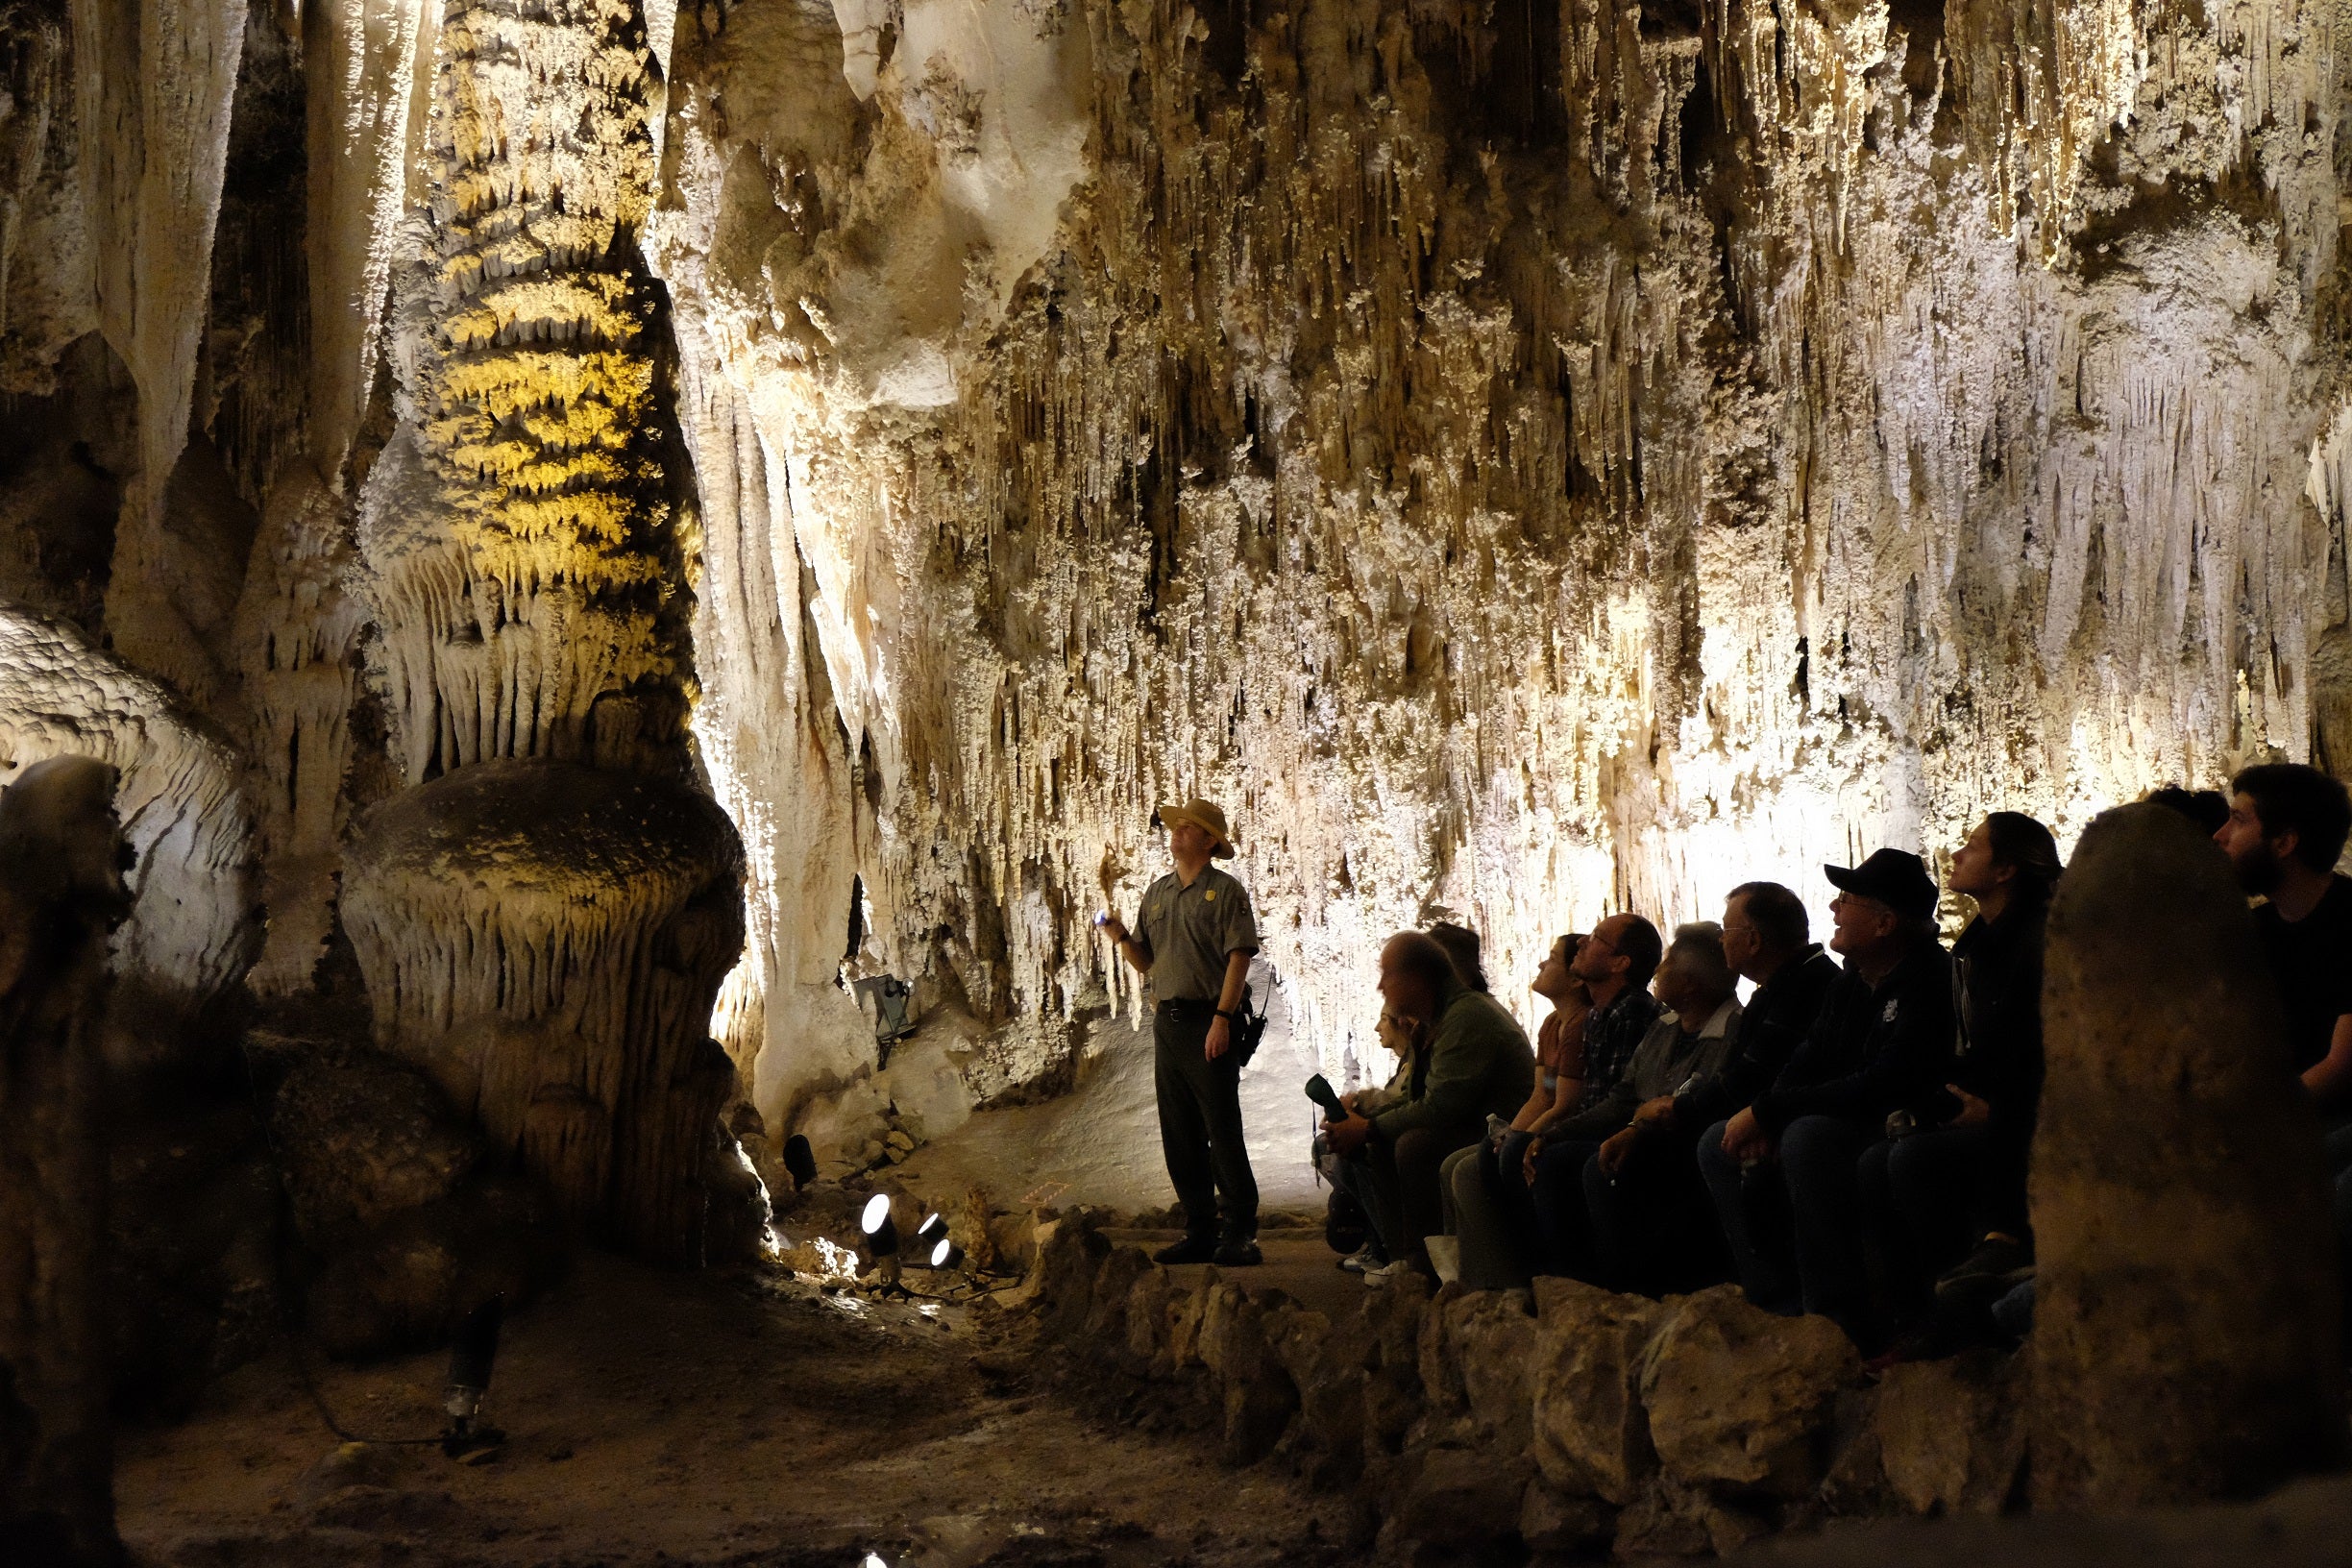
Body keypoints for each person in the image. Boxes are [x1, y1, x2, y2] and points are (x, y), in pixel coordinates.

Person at [1699, 849, 1953, 1343]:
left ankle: (1836, 1323)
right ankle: (1774, 1303)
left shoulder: (1927, 979)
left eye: (1847, 899)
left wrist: (1771, 1111)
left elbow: (1886, 1081)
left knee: (1808, 1138)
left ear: (1884, 923)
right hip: (1852, 1111)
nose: (1833, 910)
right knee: (1719, 1140)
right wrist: (1764, 1115)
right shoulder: (1853, 983)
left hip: (1899, 1115)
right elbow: (1807, 1060)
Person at [1862, 813, 2060, 1338]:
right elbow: (1972, 1051)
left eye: (1972, 847)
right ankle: (1907, 1320)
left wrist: (1995, 1112)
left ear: (2006, 871)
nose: (1956, 855)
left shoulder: (2039, 942)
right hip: (1996, 1102)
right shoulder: (1976, 949)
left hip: (2033, 1114)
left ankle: (1963, 1304)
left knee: (1912, 1159)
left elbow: (2039, 1052)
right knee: (1877, 1158)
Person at [1099, 798, 1264, 1267]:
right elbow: (1149, 965)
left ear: (1209, 840)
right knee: (1180, 1132)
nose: (1176, 831)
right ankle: (1200, 1227)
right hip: (1168, 1022)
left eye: (1188, 827)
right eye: (1176, 826)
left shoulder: (1226, 892)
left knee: (1221, 1126)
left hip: (1208, 1020)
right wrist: (1123, 940)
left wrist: (1223, 1018)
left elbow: (1239, 956)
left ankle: (1239, 1231)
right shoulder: (1157, 893)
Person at [1538, 923, 1743, 1290]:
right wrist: (1554, 1133)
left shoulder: (1732, 1033)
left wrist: (1638, 1129)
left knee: (1604, 1165)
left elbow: (1698, 1107)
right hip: (1642, 1134)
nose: (1657, 973)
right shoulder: (1663, 1029)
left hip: (1681, 1146)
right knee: (1552, 1156)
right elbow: (1623, 1097)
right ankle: (1569, 1284)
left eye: (1666, 966)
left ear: (1690, 983)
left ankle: (1627, 1289)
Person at [1323, 931, 1533, 1282]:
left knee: (1414, 1145)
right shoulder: (1437, 1022)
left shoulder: (1466, 1016)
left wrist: (1368, 1127)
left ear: (1417, 978)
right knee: (1376, 1141)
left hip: (1500, 1128)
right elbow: (1413, 1098)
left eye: (1387, 975)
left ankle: (1428, 1265)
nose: (1380, 986)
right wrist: (1363, 1121)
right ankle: (1401, 1255)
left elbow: (1441, 1107)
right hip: (1472, 1121)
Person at [1435, 934, 1589, 1288]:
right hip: (1543, 1123)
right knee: (1458, 1164)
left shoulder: (1580, 1024)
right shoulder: (1552, 1024)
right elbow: (1540, 1096)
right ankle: (1469, 1274)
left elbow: (1564, 1104)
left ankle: (1503, 1279)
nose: (1540, 964)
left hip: (1565, 1129)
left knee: (1470, 1170)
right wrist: (1508, 1136)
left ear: (1575, 977)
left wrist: (1517, 1140)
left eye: (1551, 959)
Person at [1515, 912, 1663, 1272]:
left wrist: (1551, 1134)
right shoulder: (1599, 1014)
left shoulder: (1631, 1012)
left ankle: (1573, 1278)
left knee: (1548, 1158)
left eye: (1596, 937)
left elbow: (1618, 1101)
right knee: (1521, 1151)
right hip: (1601, 1125)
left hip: (1628, 1133)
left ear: (1620, 963)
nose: (1582, 941)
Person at [2214, 764, 2352, 1113]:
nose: (2220, 835)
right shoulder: (2254, 930)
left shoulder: (2348, 920)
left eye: (2239, 820)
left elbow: (2341, 1068)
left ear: (2284, 842)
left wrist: (2256, 1121)